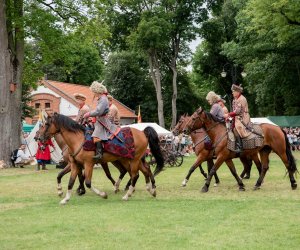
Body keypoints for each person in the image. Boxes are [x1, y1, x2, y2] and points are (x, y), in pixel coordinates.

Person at [83, 81, 118, 160]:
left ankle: (99, 154)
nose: (93, 94)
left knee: (96, 134)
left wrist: (88, 114)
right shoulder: (102, 98)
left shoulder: (103, 99)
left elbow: (99, 111)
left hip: (102, 121)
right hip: (99, 120)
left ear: (97, 91)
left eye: (94, 92)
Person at [224, 84, 251, 152]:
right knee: (229, 126)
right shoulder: (235, 99)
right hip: (237, 116)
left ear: (238, 92)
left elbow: (238, 111)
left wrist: (228, 115)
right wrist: (229, 117)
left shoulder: (242, 98)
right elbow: (234, 111)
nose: (232, 93)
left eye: (233, 91)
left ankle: (240, 146)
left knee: (237, 127)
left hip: (243, 116)